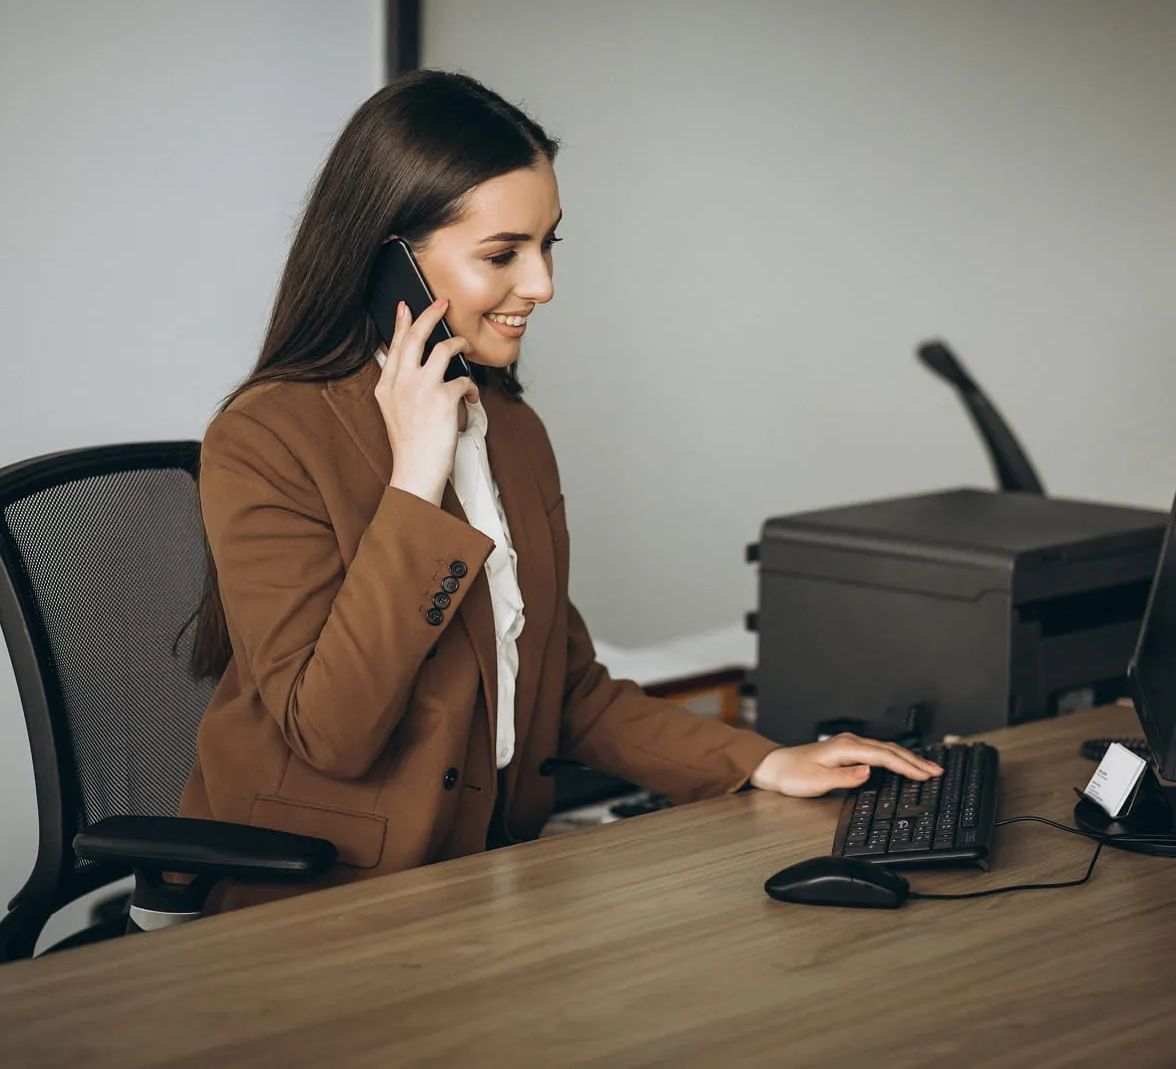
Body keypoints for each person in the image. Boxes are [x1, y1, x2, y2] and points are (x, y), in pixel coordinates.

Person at [181, 69, 941, 910]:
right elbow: (331, 733)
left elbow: (564, 688)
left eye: (549, 246)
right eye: (503, 254)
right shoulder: (266, 438)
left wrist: (761, 760)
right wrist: (414, 482)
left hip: (489, 885)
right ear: (388, 263)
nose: (541, 285)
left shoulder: (510, 429)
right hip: (323, 902)